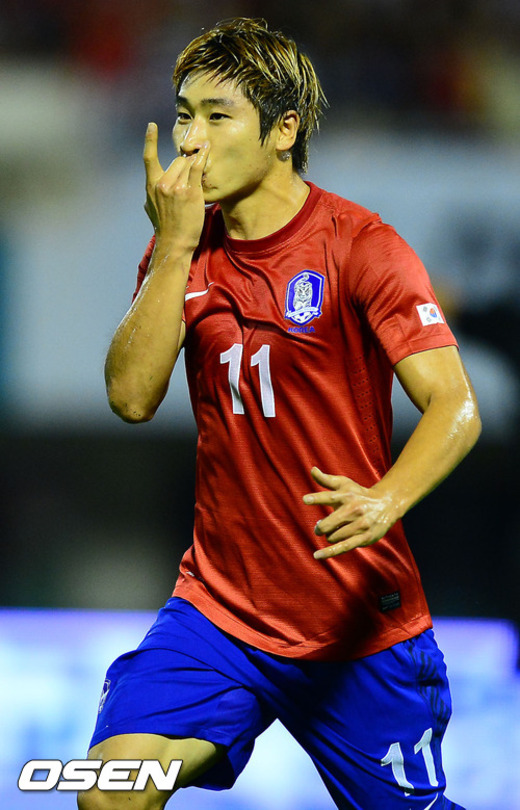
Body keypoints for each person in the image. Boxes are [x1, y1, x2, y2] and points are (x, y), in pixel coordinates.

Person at [78, 17, 481, 810]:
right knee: (109, 794)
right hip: (219, 614)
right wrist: (172, 250)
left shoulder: (362, 246)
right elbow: (130, 398)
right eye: (183, 115)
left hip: (355, 624)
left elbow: (455, 404)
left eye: (217, 116)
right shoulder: (183, 247)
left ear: (284, 131)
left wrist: (386, 498)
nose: (190, 141)